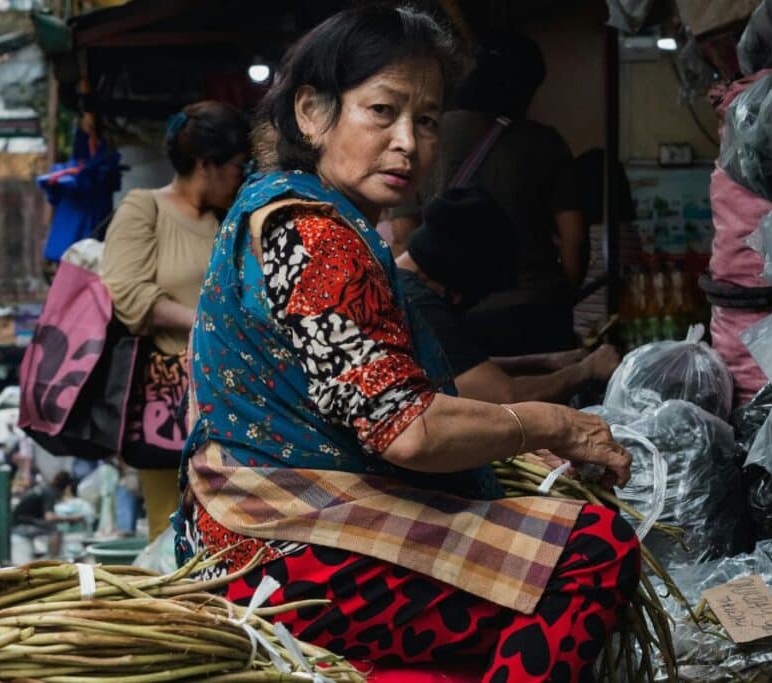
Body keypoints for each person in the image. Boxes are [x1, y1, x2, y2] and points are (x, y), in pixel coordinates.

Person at [175, 7, 637, 682]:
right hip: (285, 550)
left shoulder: (273, 203)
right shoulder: (316, 236)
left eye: (426, 121)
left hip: (247, 530)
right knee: (591, 550)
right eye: (382, 112)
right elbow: (407, 431)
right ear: (312, 112)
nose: (408, 143)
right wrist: (556, 425)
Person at [100, 100, 250, 541]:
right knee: (172, 531)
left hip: (230, 397)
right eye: (237, 166)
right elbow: (127, 294)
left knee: (234, 527)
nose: (241, 176)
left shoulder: (229, 220)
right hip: (168, 399)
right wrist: (209, 322)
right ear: (207, 164)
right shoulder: (144, 208)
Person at [390, 29, 589, 356]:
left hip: (455, 316)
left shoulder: (426, 134)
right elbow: (575, 239)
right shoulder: (545, 143)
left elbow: (404, 235)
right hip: (539, 311)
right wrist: (559, 294)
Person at [397, 186, 620, 404]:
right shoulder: (416, 302)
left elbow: (463, 367)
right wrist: (588, 370)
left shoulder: (397, 281)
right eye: (467, 296)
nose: (459, 303)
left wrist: (545, 362)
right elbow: (507, 396)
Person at [11, 471, 81, 557]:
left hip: (20, 521)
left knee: (51, 527)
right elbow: (49, 517)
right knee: (56, 530)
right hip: (20, 526)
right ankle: (53, 559)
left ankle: (46, 555)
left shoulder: (46, 488)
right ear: (67, 487)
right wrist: (71, 519)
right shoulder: (50, 493)